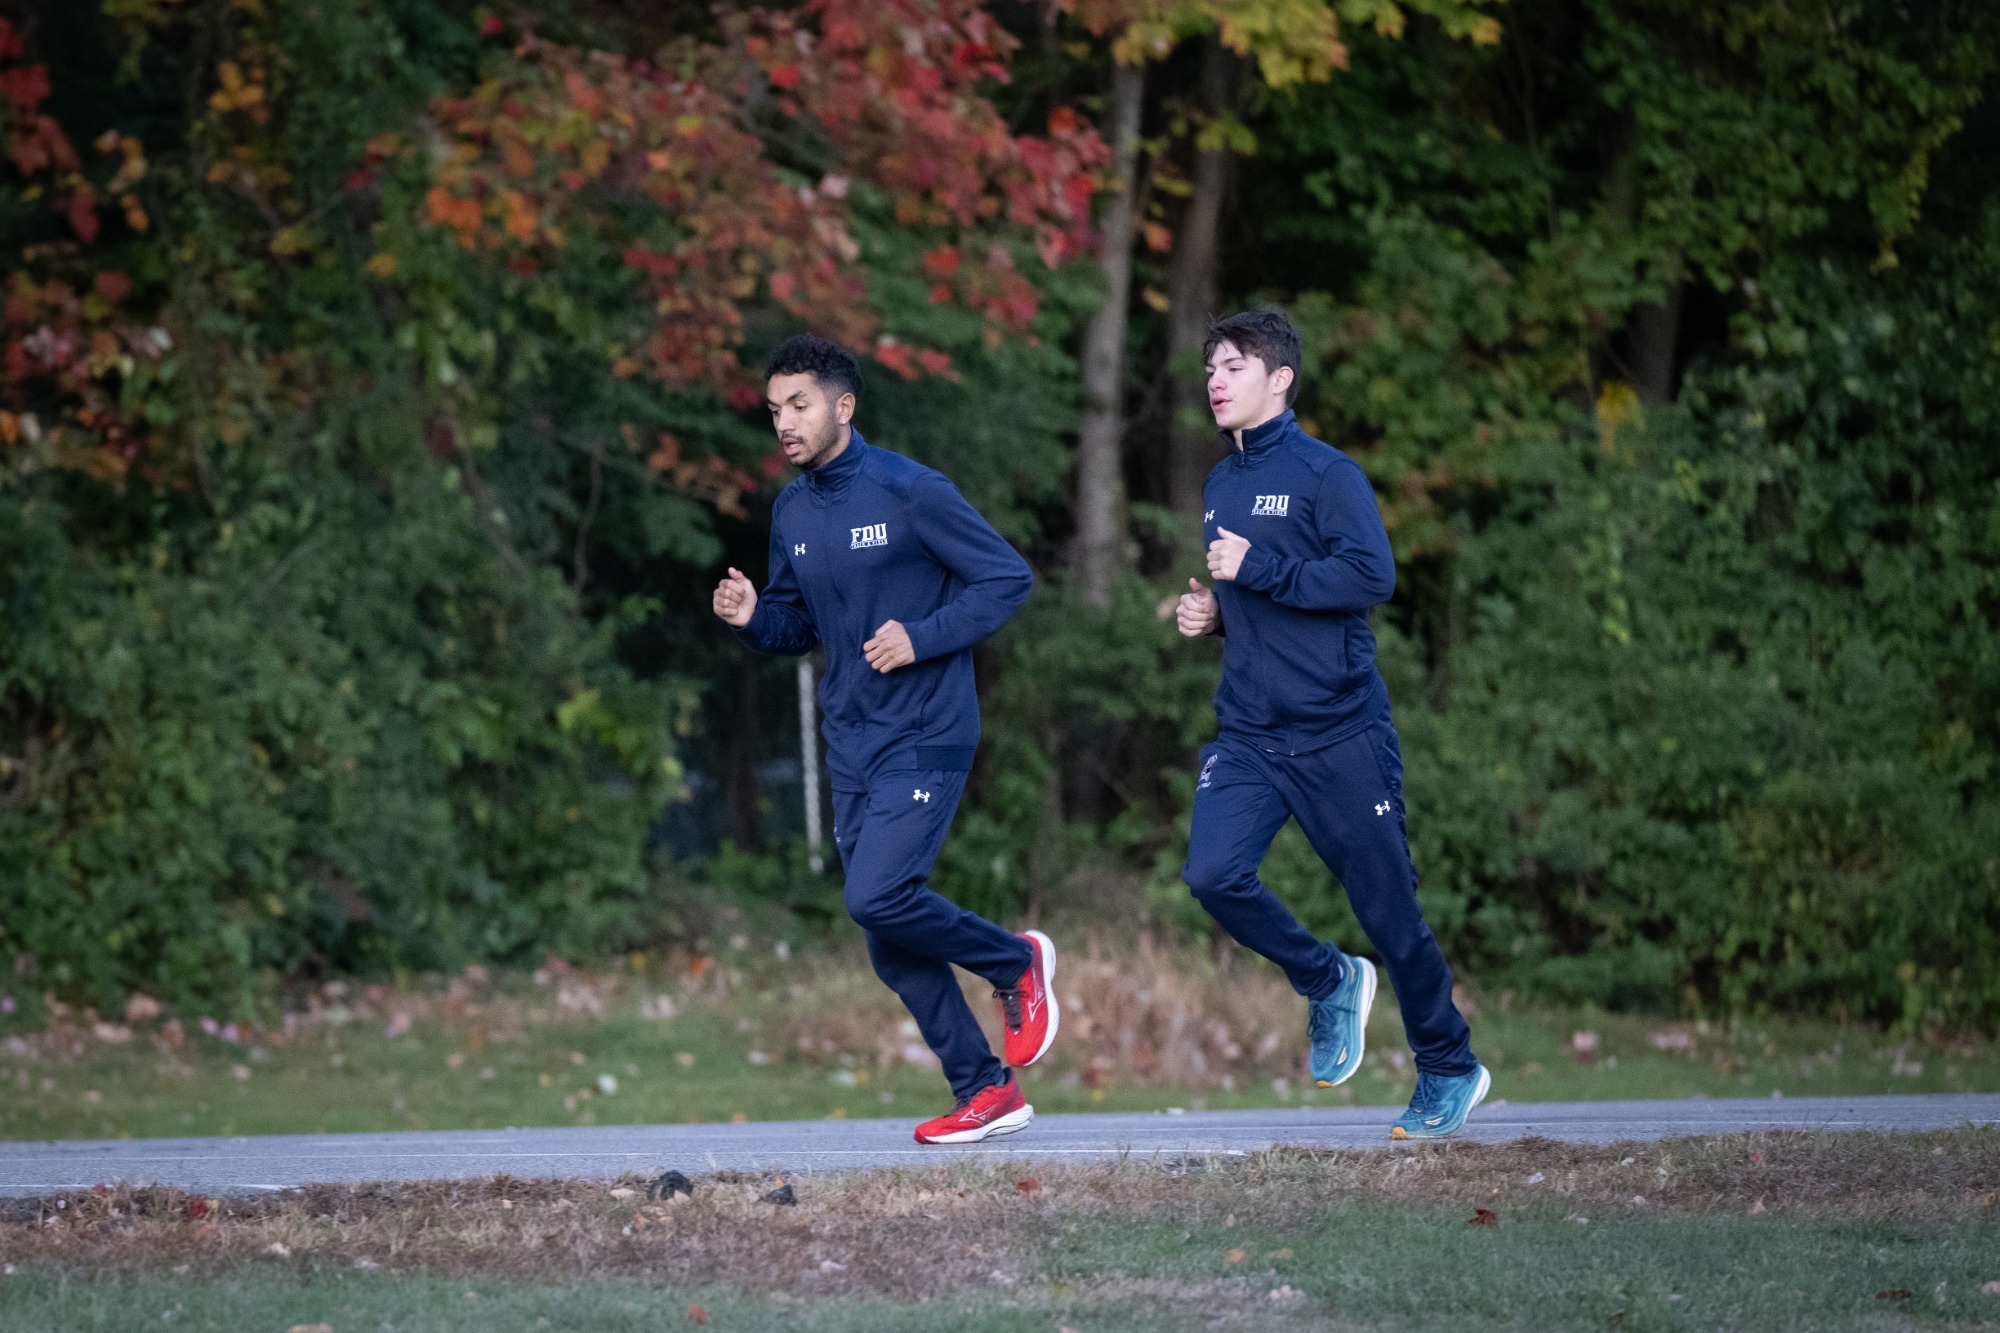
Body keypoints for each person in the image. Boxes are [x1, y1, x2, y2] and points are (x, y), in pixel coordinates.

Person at [713, 333, 1059, 1144]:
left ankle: (1014, 961)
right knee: (889, 941)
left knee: (876, 895)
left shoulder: (912, 491)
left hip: (926, 729)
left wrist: (922, 636)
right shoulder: (793, 510)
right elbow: (798, 624)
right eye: (775, 408)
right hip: (852, 741)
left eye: (799, 404)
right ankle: (987, 1089)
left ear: (844, 405)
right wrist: (753, 617)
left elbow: (1007, 577)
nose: (784, 422)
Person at [1174, 309, 1489, 1139]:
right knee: (1212, 873)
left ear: (1280, 379)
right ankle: (1326, 978)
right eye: (1210, 367)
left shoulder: (1326, 474)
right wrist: (1217, 616)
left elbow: (1369, 576)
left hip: (1339, 730)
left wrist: (1259, 569)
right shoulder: (1221, 483)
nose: (1215, 381)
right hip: (1251, 733)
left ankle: (1449, 1064)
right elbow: (1263, 604)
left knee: (1390, 912)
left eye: (1233, 366)